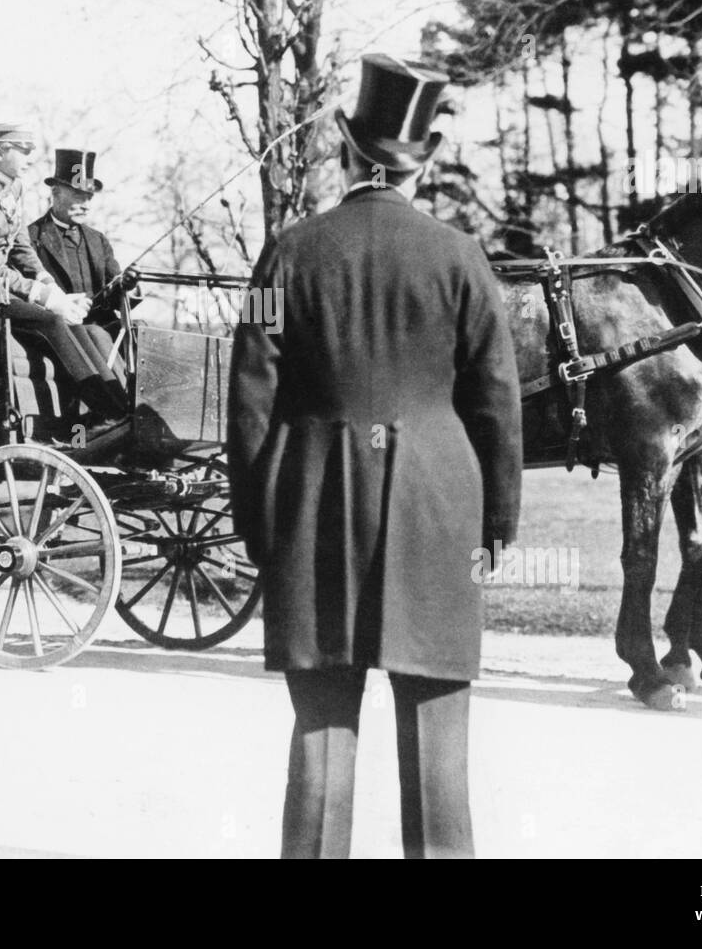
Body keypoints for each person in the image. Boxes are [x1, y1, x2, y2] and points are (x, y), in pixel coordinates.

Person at [226, 53, 523, 859]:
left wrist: (258, 521)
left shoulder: (285, 255)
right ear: (421, 162)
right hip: (439, 508)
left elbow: (250, 399)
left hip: (314, 508)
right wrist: (497, 524)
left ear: (346, 151)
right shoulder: (463, 258)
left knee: (322, 733)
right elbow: (497, 401)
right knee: (438, 744)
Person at [0, 121, 128, 428]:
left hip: (3, 293)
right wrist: (48, 300)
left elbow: (20, 247)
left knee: (70, 320)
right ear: (0, 153)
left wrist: (51, 287)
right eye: (24, 151)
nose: (30, 158)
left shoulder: (13, 187)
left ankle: (118, 405)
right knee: (52, 320)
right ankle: (108, 412)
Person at [28, 148, 140, 377]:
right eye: (79, 196)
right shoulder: (31, 239)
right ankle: (120, 397)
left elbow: (114, 292)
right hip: (60, 333)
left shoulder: (98, 240)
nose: (86, 205)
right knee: (96, 335)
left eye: (89, 198)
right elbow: (29, 295)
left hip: (102, 331)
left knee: (142, 331)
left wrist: (128, 285)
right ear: (56, 193)